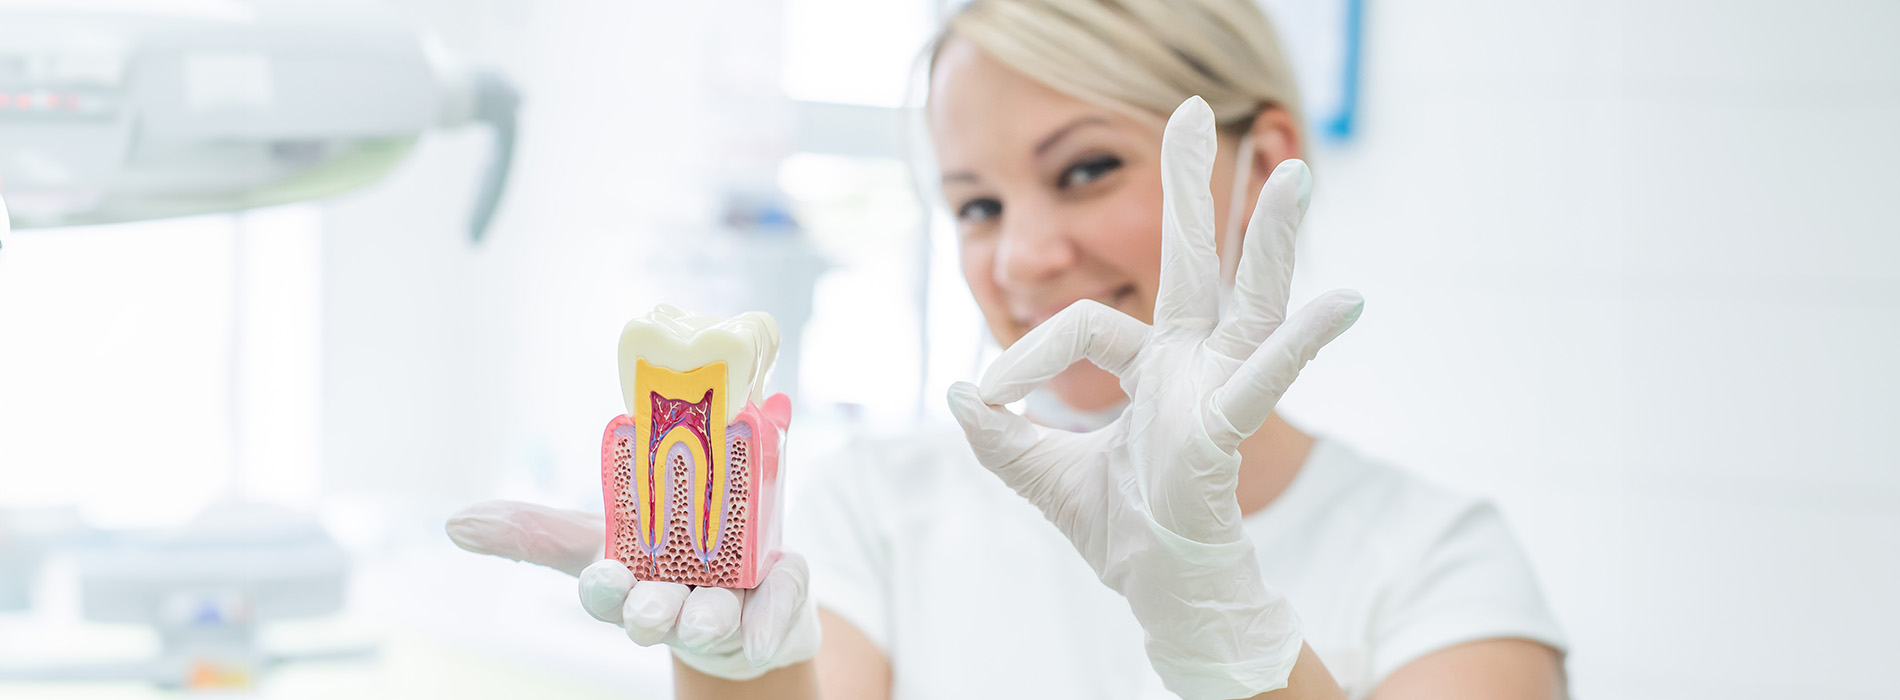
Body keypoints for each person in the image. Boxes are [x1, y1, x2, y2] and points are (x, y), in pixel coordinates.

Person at [445, 1, 1568, 698]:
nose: (1023, 257)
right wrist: (737, 673)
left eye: (1086, 170)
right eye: (976, 205)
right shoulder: (873, 507)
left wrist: (1230, 638)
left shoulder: (1442, 564)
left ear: (1261, 162)